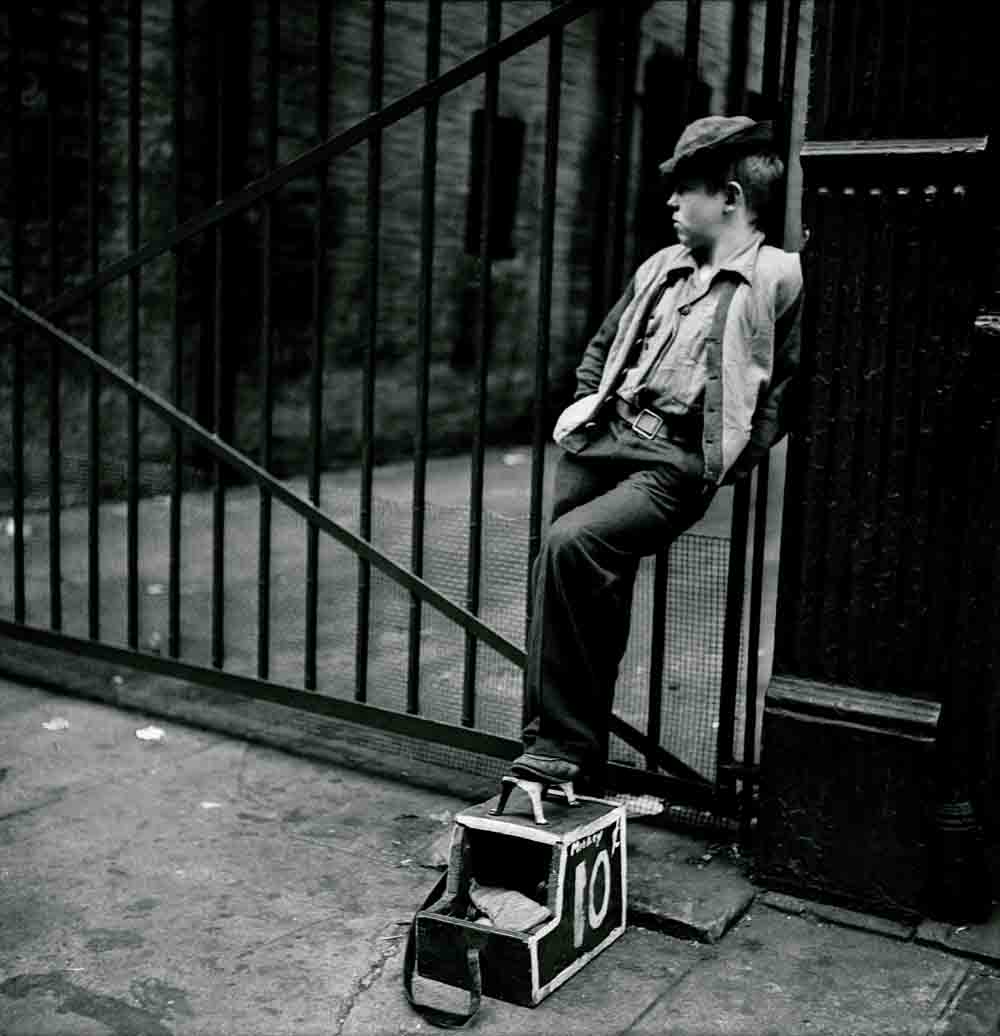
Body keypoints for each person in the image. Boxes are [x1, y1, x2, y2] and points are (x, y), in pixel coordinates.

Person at [510, 115, 804, 793]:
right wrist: (587, 405)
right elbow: (602, 345)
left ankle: (557, 743)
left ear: (729, 197)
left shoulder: (778, 277)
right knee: (578, 587)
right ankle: (563, 754)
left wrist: (729, 457)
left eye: (685, 190)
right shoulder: (659, 267)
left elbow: (788, 384)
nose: (671, 204)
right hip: (604, 438)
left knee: (572, 547)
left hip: (672, 461)